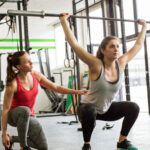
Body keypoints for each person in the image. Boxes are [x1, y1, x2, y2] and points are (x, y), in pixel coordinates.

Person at [59, 13, 147, 150]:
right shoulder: (96, 64)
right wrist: (64, 21)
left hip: (105, 110)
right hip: (86, 110)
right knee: (90, 109)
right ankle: (86, 145)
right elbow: (75, 45)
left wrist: (144, 27)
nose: (116, 49)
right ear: (103, 50)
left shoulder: (121, 63)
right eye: (112, 46)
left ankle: (122, 142)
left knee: (133, 107)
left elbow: (138, 45)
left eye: (118, 46)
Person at [1, 51, 88, 150]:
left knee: (43, 146)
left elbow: (55, 87)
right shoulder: (13, 84)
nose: (31, 63)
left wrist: (77, 91)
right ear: (19, 67)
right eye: (27, 62)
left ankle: (12, 138)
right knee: (25, 110)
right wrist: (3, 133)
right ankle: (23, 147)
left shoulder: (36, 75)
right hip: (13, 116)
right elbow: (5, 110)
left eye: (30, 60)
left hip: (29, 115)